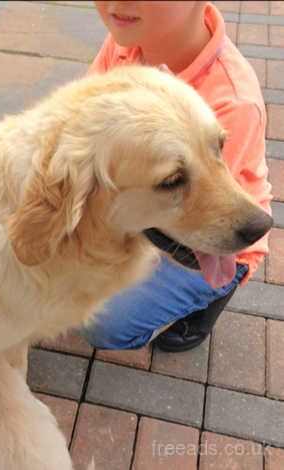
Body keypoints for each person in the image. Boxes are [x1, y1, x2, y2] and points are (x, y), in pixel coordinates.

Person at [78, 1, 273, 352]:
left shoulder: (233, 101)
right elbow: (83, 122)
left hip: (208, 229)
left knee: (102, 321)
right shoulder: (126, 39)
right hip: (141, 197)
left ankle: (217, 286)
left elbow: (196, 206)